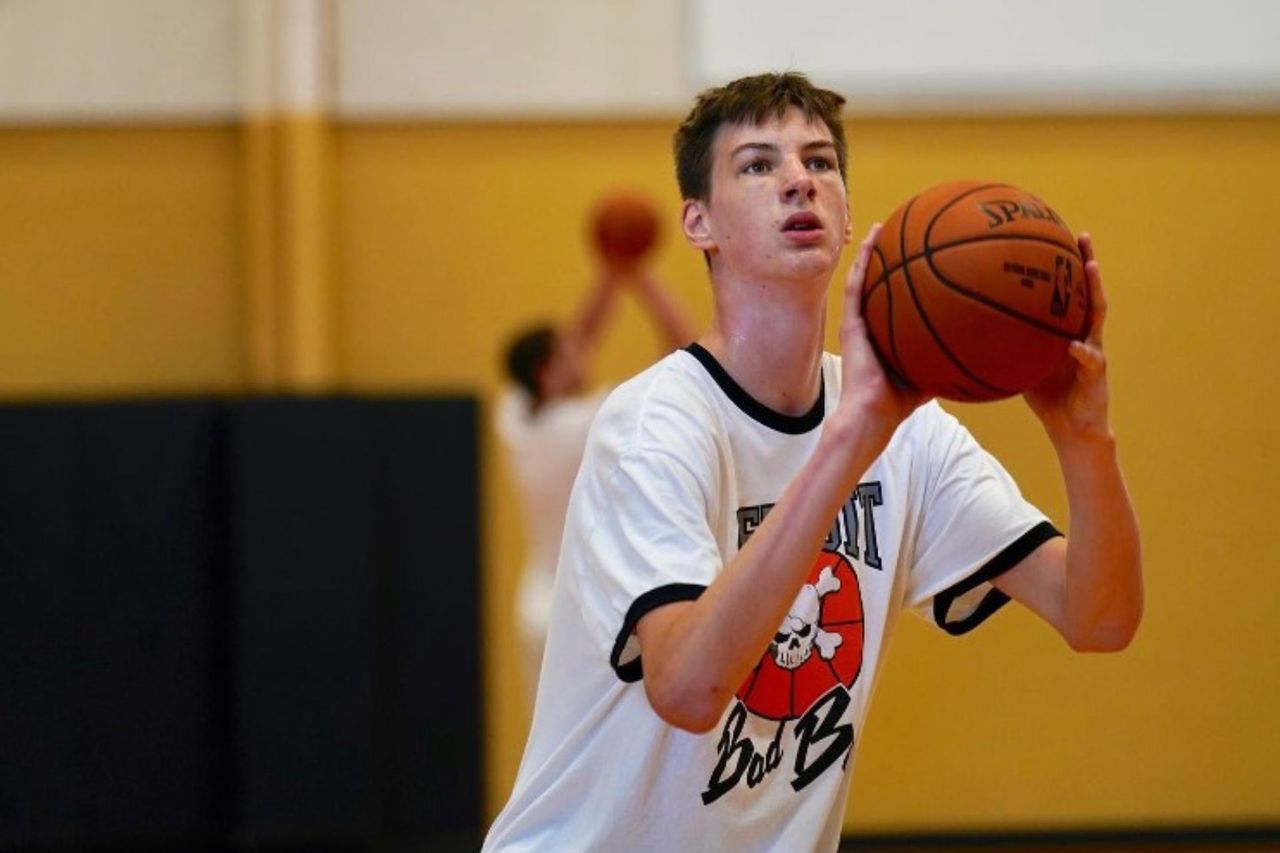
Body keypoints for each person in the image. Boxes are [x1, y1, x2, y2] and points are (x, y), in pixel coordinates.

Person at [483, 73, 1142, 852]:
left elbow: (1099, 616)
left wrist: (1084, 442)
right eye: (758, 165)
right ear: (699, 223)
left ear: (848, 212)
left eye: (820, 162)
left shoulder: (911, 432)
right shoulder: (654, 422)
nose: (799, 178)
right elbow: (690, 686)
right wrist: (853, 435)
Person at [497, 252, 695, 706]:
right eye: (566, 353)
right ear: (547, 372)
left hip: (535, 606)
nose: (580, 351)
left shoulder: (512, 416)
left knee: (555, 751)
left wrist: (610, 274)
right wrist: (643, 280)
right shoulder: (591, 422)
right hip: (584, 610)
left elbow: (580, 335)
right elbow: (683, 353)